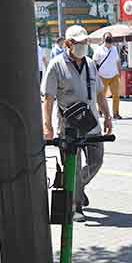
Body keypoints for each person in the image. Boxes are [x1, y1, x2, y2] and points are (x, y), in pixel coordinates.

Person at [42, 25, 113, 223]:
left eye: (85, 42)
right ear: (68, 44)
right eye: (78, 43)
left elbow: (99, 93)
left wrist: (108, 116)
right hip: (69, 126)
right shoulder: (56, 65)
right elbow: (48, 99)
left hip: (91, 124)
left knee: (96, 161)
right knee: (73, 165)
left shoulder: (90, 64)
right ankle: (76, 206)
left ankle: (78, 189)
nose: (83, 46)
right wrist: (47, 126)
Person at [93, 32, 123, 120]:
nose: (109, 42)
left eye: (110, 40)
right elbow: (94, 62)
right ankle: (100, 111)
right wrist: (95, 75)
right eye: (107, 40)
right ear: (104, 40)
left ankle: (116, 113)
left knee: (116, 95)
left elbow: (117, 61)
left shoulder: (114, 49)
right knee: (101, 96)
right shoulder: (99, 49)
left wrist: (119, 73)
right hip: (102, 76)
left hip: (114, 75)